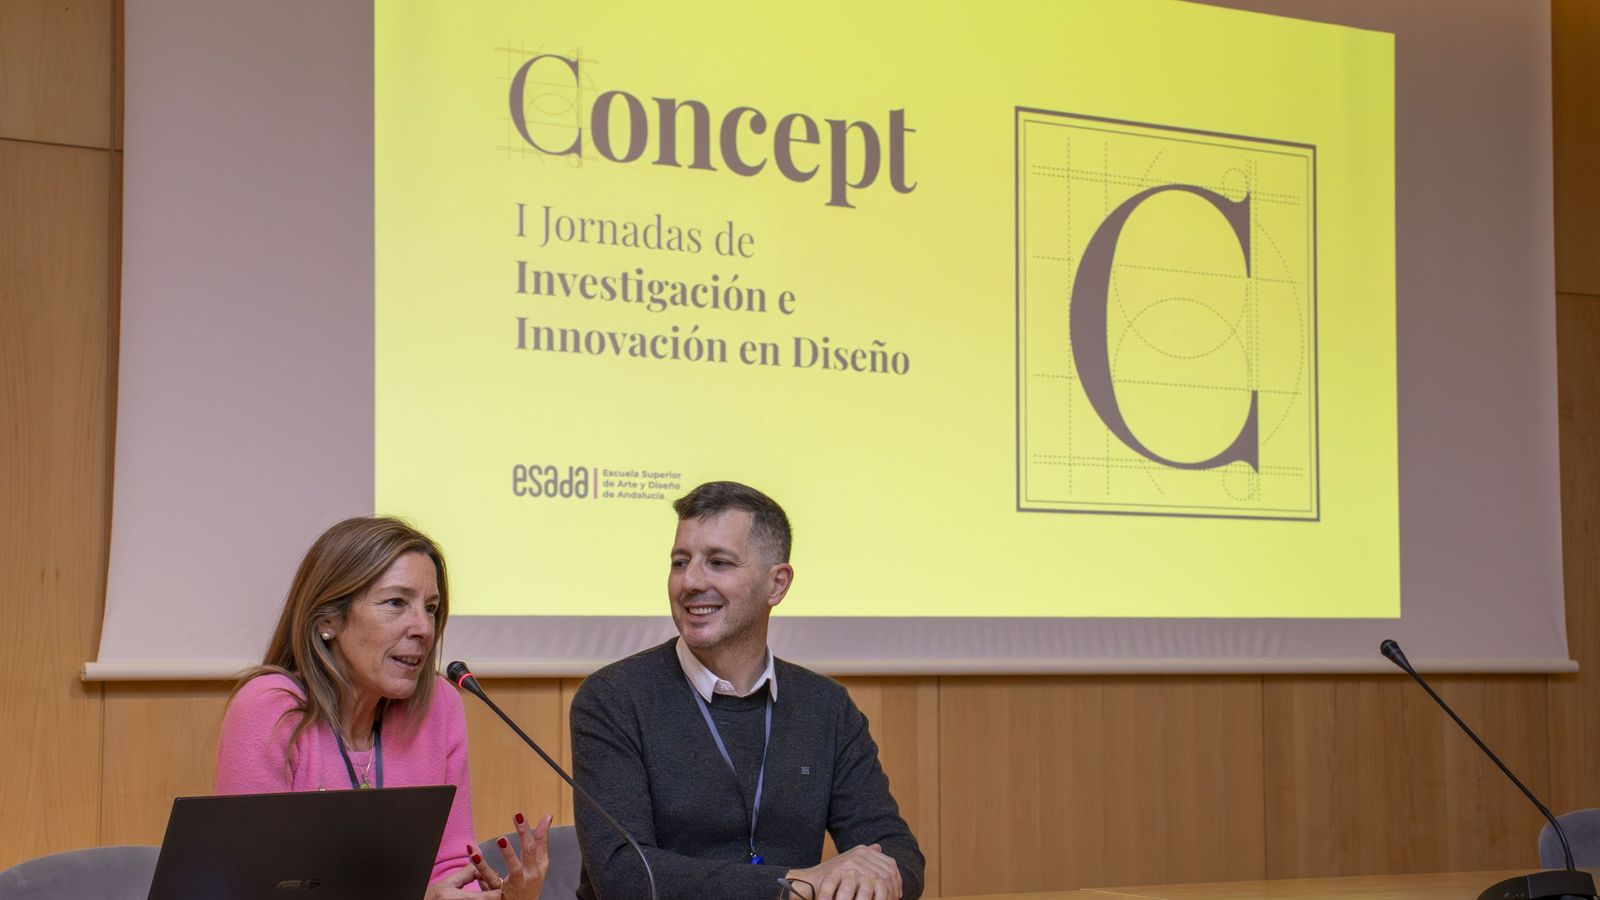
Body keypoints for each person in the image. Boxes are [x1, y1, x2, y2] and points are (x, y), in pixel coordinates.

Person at [571, 482, 924, 900]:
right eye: (680, 562)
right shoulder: (612, 699)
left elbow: (897, 856)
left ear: (777, 584)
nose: (690, 581)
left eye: (718, 562)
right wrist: (794, 884)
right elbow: (624, 875)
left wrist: (870, 877)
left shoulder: (826, 708)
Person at [216, 516, 551, 899]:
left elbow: (452, 868)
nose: (424, 628)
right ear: (327, 620)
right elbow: (254, 889)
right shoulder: (271, 708)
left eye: (431, 608)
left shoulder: (439, 705)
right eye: (396, 603)